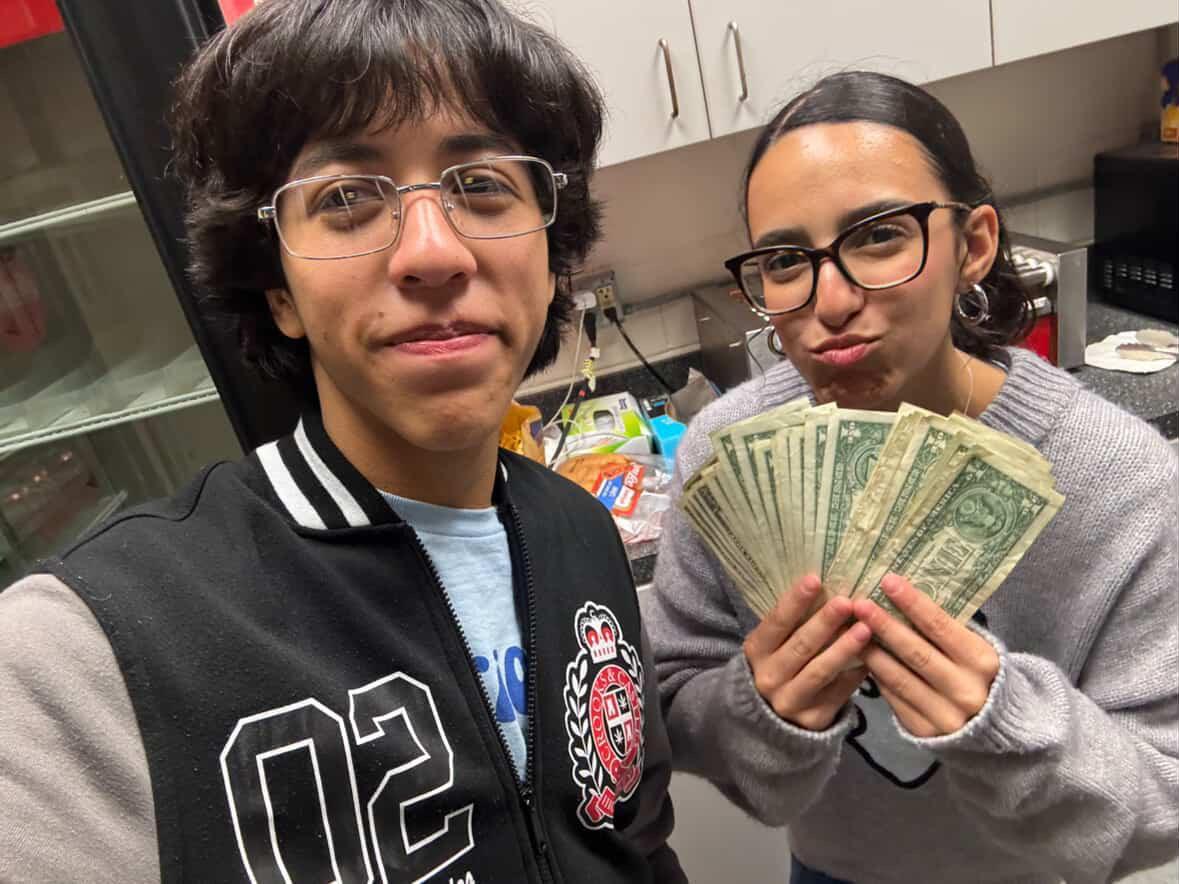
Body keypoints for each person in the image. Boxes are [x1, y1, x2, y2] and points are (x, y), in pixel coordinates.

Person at [0, 2, 685, 881]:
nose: (433, 253)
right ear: (278, 290)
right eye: (346, 199)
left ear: (551, 259)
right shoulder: (87, 651)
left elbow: (636, 841)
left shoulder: (579, 534)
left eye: (482, 185)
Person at [646, 71, 1178, 884]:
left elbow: (1163, 798)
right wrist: (758, 713)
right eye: (785, 260)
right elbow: (672, 695)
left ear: (973, 246)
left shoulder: (1119, 478)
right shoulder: (724, 450)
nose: (829, 301)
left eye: (878, 237)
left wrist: (1005, 723)